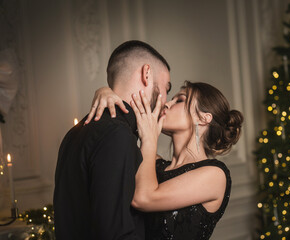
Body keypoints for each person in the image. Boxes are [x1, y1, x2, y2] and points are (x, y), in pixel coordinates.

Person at [88, 80, 243, 239]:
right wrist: (105, 93)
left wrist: (149, 140)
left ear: (203, 118)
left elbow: (143, 198)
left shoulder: (215, 175)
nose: (167, 104)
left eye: (180, 100)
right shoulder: (152, 163)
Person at [53, 40, 171, 240]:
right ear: (147, 73)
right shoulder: (118, 135)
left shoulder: (76, 132)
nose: (166, 101)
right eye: (167, 87)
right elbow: (115, 233)